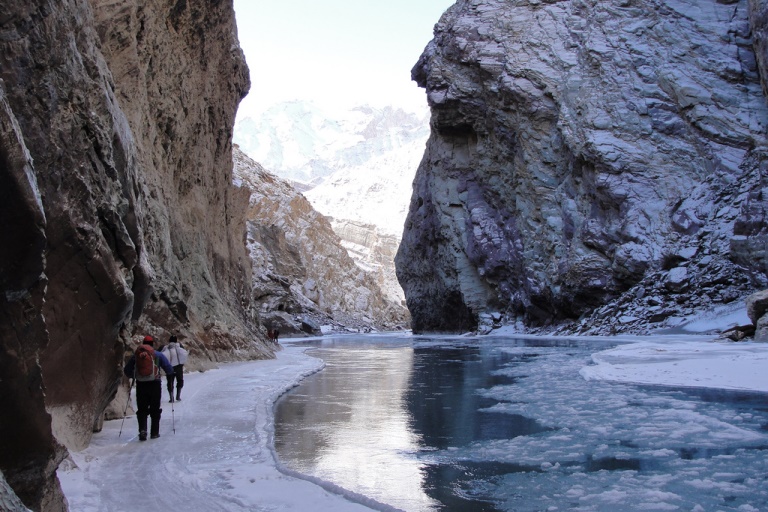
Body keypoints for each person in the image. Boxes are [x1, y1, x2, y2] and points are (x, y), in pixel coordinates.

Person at [124, 335, 175, 441]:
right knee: (155, 409)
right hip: (155, 384)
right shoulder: (158, 355)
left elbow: (127, 371)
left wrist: (135, 376)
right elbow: (168, 369)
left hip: (141, 385)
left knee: (142, 409)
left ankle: (143, 430)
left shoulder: (136, 356)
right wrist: (171, 373)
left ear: (143, 343)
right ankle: (154, 433)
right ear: (152, 344)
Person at [161, 334, 188, 402]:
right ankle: (178, 396)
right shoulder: (179, 346)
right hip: (179, 367)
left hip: (169, 368)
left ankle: (171, 397)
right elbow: (184, 354)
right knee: (180, 381)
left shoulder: (166, 347)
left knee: (170, 382)